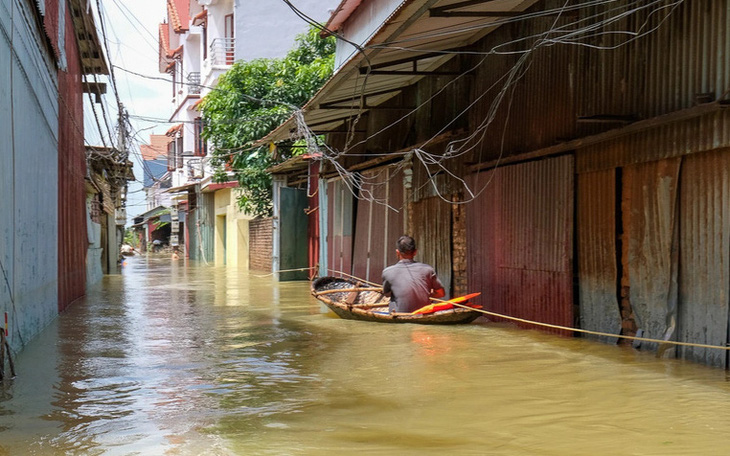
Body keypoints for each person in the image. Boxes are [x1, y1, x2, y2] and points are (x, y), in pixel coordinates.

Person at [382, 235, 445, 314]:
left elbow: (387, 294)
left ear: (397, 252)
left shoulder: (387, 272)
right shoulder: (428, 270)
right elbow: (441, 293)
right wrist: (426, 295)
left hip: (399, 315)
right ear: (415, 252)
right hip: (423, 314)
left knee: (393, 299)